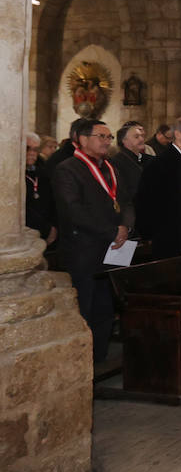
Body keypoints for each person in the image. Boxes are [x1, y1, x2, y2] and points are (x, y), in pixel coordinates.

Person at [50, 119, 130, 362]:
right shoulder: (68, 169)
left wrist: (126, 226)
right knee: (85, 307)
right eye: (101, 136)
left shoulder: (111, 167)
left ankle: (100, 357)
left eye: (109, 137)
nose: (107, 141)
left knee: (105, 308)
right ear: (83, 140)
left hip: (113, 249)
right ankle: (81, 361)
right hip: (84, 250)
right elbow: (73, 211)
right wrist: (110, 231)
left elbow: (126, 201)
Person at [134, 115, 181, 259]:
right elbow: (145, 199)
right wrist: (148, 233)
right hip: (168, 234)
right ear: (177, 134)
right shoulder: (160, 163)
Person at [110, 120, 152, 210]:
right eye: (136, 137)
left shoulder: (148, 159)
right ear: (124, 141)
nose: (141, 139)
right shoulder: (116, 162)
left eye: (142, 136)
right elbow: (123, 193)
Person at [25, 132, 56, 246]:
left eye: (35, 150)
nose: (32, 154)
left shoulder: (43, 172)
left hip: (47, 231)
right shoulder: (11, 176)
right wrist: (46, 229)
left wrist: (53, 227)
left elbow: (53, 201)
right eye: (27, 149)